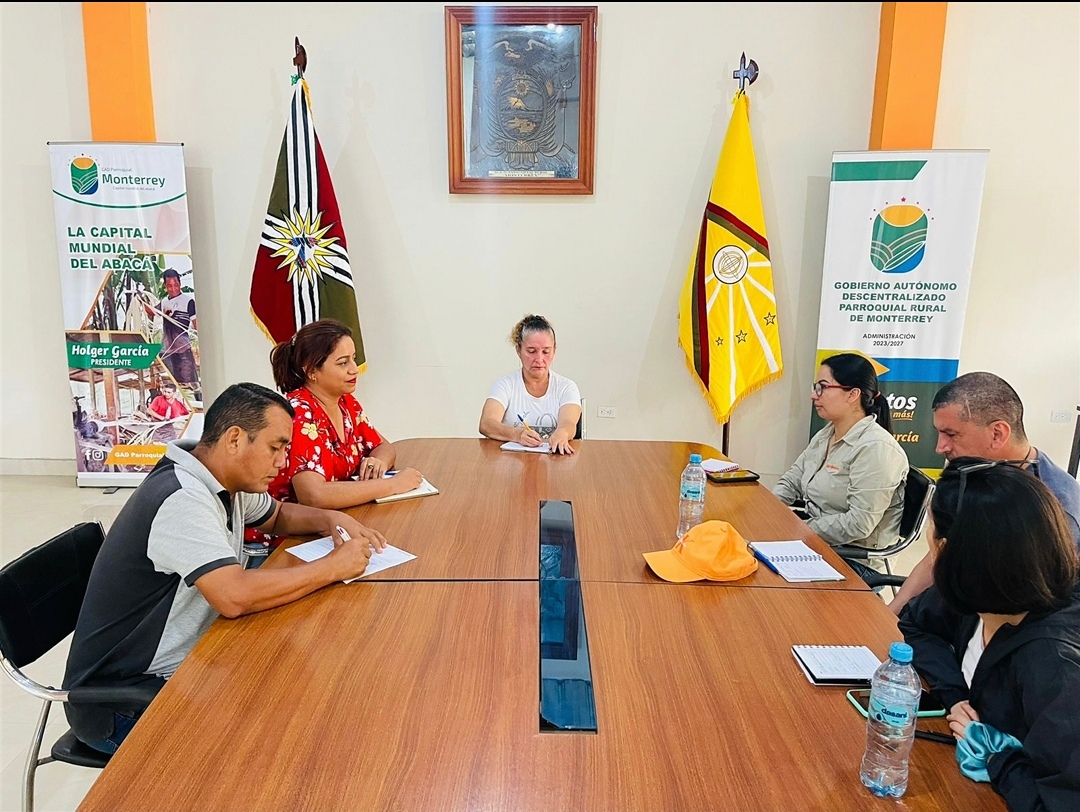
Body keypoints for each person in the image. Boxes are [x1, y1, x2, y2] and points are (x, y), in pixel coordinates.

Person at [63, 382, 387, 754]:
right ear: (234, 439)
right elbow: (233, 597)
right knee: (287, 734)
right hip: (124, 703)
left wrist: (329, 520)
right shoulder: (183, 498)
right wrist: (332, 567)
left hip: (187, 667)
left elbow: (277, 516)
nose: (282, 462)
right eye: (276, 447)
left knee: (302, 682)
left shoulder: (218, 474)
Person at [897, 460, 1080, 811]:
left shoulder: (1055, 666)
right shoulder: (979, 594)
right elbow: (915, 622)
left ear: (947, 550)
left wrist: (1000, 759)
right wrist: (955, 697)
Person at [890, 372, 1080, 615]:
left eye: (951, 434)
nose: (940, 447)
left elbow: (1031, 607)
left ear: (997, 434)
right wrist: (892, 612)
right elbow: (938, 556)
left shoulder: (1055, 505)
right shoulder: (974, 475)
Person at [243, 319, 422, 561]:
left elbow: (383, 446)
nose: (354, 369)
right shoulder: (300, 414)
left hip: (328, 528)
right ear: (311, 370)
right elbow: (313, 495)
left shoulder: (346, 402)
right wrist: (393, 485)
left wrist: (377, 462)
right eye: (343, 362)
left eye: (353, 359)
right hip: (283, 545)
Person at [772, 353, 908, 560]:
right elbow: (792, 481)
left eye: (823, 387)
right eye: (815, 387)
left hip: (852, 558)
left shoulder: (876, 448)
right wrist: (769, 511)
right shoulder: (827, 433)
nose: (814, 395)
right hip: (815, 540)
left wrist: (798, 528)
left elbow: (858, 524)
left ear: (853, 394)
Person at [479, 314, 582, 455]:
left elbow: (568, 423)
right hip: (511, 461)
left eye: (546, 351)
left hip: (554, 461)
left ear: (554, 350)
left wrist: (562, 433)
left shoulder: (566, 387)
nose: (539, 359)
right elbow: (487, 423)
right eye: (531, 351)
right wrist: (517, 434)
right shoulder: (504, 385)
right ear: (518, 350)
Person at [159, 268, 200, 396]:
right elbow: (151, 311)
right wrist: (139, 297)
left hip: (183, 350)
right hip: (167, 352)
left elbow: (196, 325)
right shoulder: (164, 302)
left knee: (193, 384)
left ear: (180, 283)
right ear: (165, 286)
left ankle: (198, 405)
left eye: (176, 284)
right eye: (170, 286)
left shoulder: (188, 301)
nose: (173, 288)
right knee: (171, 386)